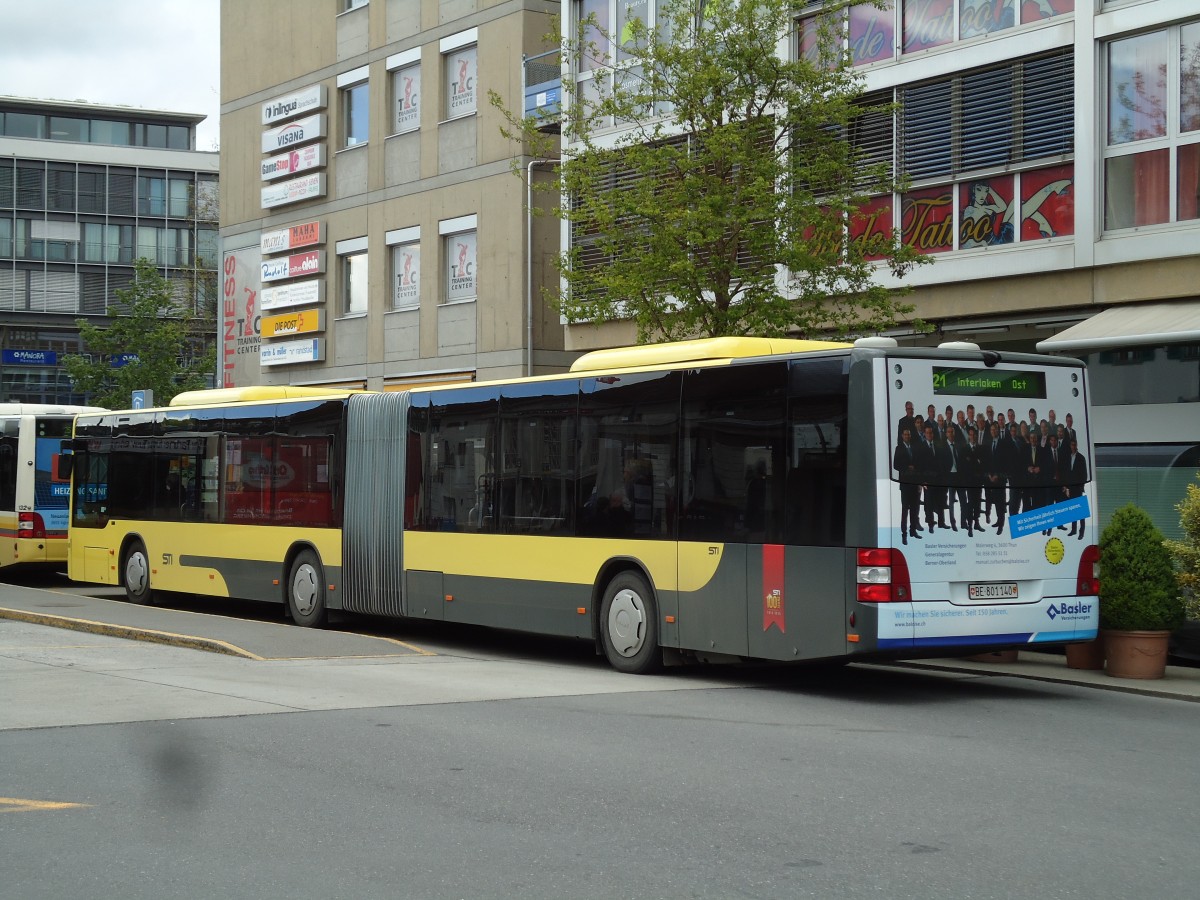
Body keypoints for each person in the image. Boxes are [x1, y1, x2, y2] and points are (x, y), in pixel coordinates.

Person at [893, 428, 923, 544]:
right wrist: (907, 467)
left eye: (909, 434)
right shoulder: (899, 448)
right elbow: (896, 465)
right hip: (905, 484)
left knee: (915, 510)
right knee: (905, 510)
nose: (907, 436)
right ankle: (904, 534)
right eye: (905, 434)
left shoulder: (914, 448)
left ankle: (913, 531)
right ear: (902, 436)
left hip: (915, 484)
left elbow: (919, 465)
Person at [1062, 438, 1089, 540]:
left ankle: (1081, 532)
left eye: (1074, 445)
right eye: (1071, 445)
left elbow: (1084, 474)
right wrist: (1066, 487)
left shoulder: (1081, 458)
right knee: (1073, 511)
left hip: (1078, 488)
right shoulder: (1068, 458)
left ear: (1076, 445)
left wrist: (1080, 486)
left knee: (1081, 512)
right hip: (1070, 488)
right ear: (1070, 446)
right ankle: (1073, 530)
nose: (1073, 446)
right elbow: (1067, 473)